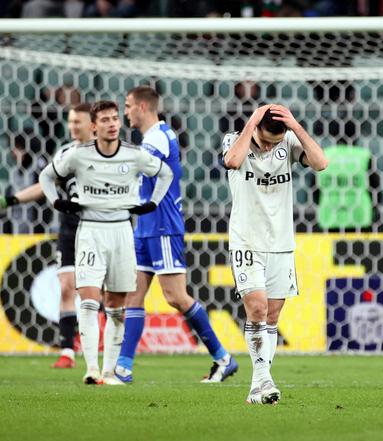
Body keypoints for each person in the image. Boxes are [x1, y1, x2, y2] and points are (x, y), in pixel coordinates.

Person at [39, 100, 173, 385]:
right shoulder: (77, 155)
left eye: (115, 118)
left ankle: (110, 371)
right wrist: (56, 202)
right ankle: (91, 368)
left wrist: (153, 202)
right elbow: (46, 176)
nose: (113, 124)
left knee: (115, 305)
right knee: (88, 298)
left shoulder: (133, 155)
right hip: (90, 230)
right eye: (105, 120)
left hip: (122, 230)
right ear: (93, 126)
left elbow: (166, 173)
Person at [113, 86, 237, 384]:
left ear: (142, 107)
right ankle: (123, 368)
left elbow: (134, 167)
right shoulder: (150, 138)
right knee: (134, 295)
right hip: (144, 226)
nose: (125, 111)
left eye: (128, 106)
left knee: (176, 297)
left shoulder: (158, 137)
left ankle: (223, 358)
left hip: (163, 228)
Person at [222, 104, 328, 404]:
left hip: (281, 243)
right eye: (266, 140)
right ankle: (263, 380)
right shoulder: (235, 140)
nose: (270, 147)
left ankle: (258, 389)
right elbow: (231, 162)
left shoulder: (289, 142)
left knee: (271, 315)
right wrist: (253, 120)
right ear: (255, 127)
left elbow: (320, 163)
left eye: (275, 142)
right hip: (246, 241)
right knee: (256, 308)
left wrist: (295, 127)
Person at [0, 103, 93, 368]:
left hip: (99, 226)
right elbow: (45, 183)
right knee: (66, 285)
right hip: (68, 225)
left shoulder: (106, 151)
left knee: (99, 292)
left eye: (78, 122)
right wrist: (11, 200)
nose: (73, 126)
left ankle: (106, 348)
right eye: (71, 122)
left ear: (92, 124)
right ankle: (67, 352)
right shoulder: (64, 152)